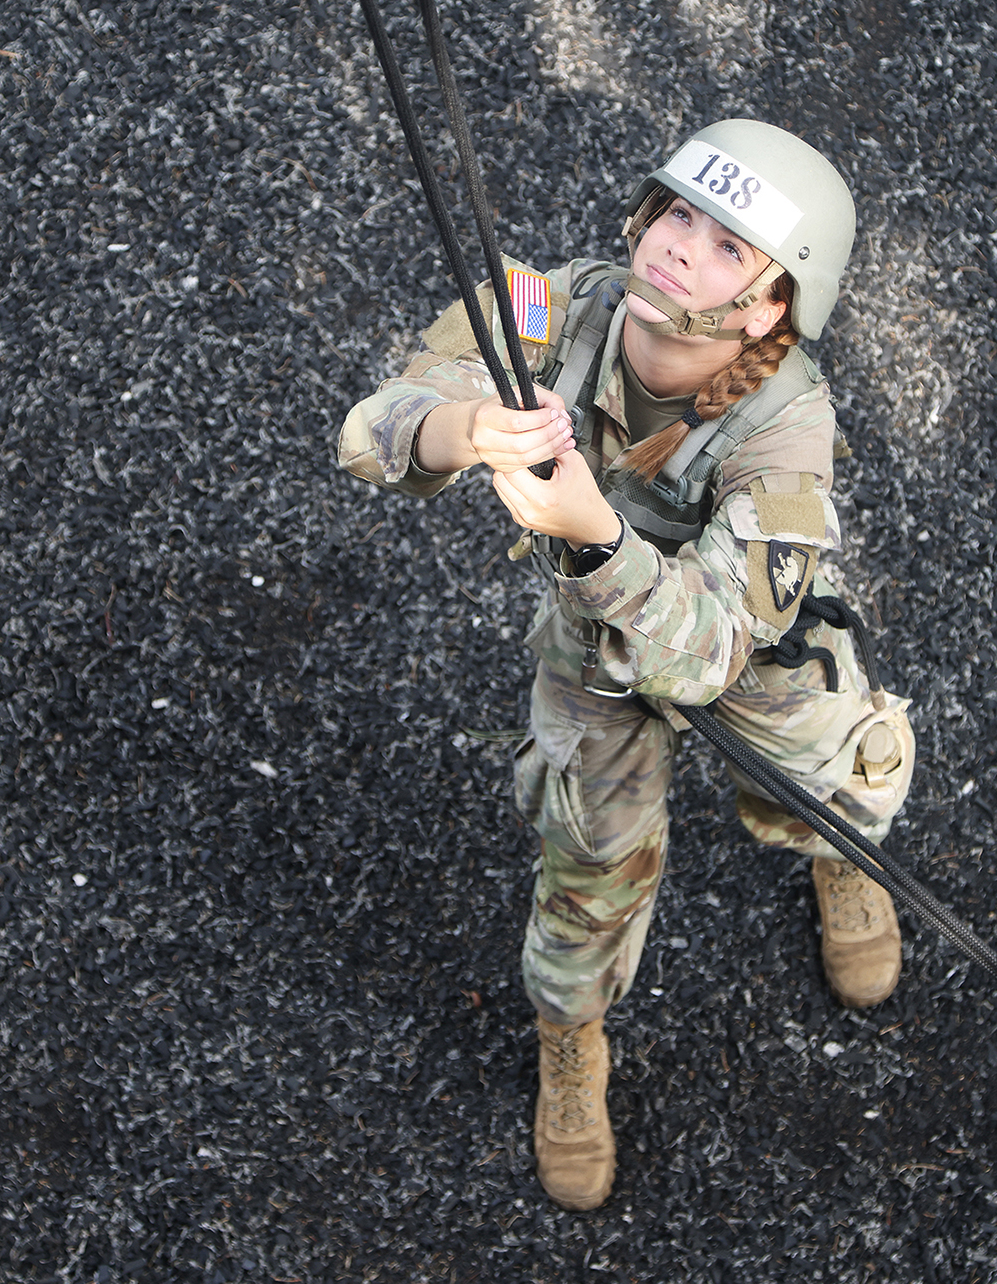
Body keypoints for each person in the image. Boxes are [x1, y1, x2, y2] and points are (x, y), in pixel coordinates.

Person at [337, 119, 915, 1211]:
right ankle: (573, 1032)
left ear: (770, 306)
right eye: (681, 211)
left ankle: (834, 850)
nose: (682, 247)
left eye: (728, 246)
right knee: (588, 858)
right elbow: (371, 429)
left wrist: (595, 532)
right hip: (599, 650)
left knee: (834, 770)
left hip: (739, 642)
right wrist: (467, 429)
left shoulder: (788, 426)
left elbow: (711, 650)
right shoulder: (550, 308)